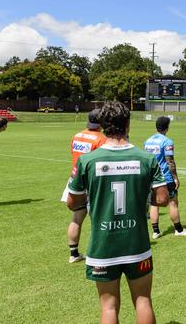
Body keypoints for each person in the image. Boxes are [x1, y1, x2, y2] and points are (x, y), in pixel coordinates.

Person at [66, 101, 169, 324]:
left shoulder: (87, 161)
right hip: (137, 243)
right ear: (128, 125)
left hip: (103, 245)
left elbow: (72, 202)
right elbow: (162, 199)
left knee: (109, 307)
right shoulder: (146, 159)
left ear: (102, 126)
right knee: (143, 300)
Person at [61, 109, 106, 263]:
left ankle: (73, 254)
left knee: (77, 217)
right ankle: (98, 251)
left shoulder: (77, 135)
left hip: (75, 179)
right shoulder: (101, 139)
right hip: (92, 182)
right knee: (99, 218)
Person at [144, 117, 186, 238]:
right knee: (173, 203)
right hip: (165, 177)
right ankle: (179, 230)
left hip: (151, 177)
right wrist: (175, 177)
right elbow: (169, 160)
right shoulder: (167, 141)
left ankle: (156, 232)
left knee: (154, 204)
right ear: (167, 127)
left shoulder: (147, 141)